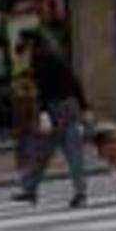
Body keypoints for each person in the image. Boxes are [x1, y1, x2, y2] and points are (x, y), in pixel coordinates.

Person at [15, 27, 92, 208]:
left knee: (43, 151)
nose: (20, 45)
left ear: (31, 43)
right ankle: (79, 193)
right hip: (69, 107)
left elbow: (44, 89)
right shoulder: (53, 56)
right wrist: (85, 107)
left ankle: (30, 189)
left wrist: (43, 114)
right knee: (71, 152)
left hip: (56, 108)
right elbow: (74, 81)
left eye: (23, 42)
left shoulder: (40, 59)